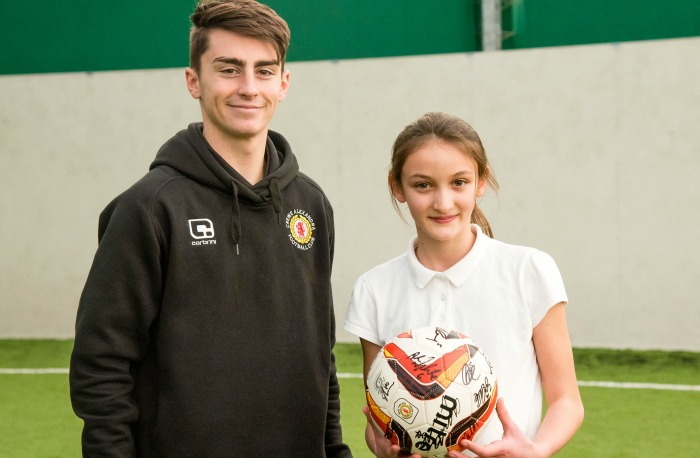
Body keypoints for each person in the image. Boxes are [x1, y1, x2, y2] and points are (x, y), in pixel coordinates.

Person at [69, 1, 352, 456]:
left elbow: (320, 355)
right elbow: (100, 366)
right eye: (229, 69)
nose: (248, 87)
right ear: (193, 81)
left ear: (283, 84)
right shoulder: (149, 207)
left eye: (263, 71)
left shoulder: (311, 204)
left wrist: (333, 449)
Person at [344, 112, 584, 458]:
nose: (443, 203)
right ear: (397, 187)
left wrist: (535, 449)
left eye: (459, 182)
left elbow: (567, 401)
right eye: (423, 185)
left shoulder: (529, 270)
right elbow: (380, 415)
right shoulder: (374, 289)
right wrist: (384, 447)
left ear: (480, 182)